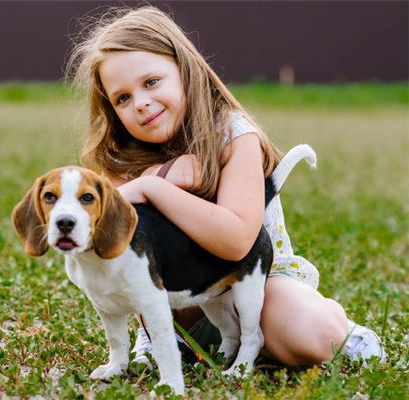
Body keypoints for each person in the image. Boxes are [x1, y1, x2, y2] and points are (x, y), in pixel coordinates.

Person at [66, 6, 385, 369]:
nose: (140, 103)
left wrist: (156, 191)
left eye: (151, 82)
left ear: (185, 70)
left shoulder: (233, 135)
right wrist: (157, 178)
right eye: (122, 98)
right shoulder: (120, 160)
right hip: (184, 308)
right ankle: (167, 339)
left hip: (259, 284)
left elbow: (236, 242)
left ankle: (333, 333)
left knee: (308, 334)